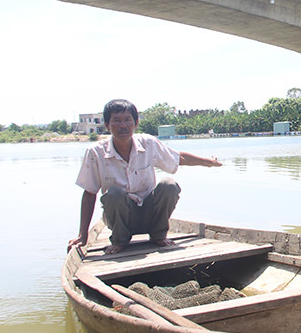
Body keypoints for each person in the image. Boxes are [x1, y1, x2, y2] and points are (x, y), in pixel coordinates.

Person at [67, 99, 222, 254]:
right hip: (120, 219)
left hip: (149, 214)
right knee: (114, 193)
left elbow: (178, 158)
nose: (123, 125)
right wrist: (83, 235)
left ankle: (158, 235)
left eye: (127, 120)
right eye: (117, 120)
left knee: (169, 185)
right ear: (107, 125)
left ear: (136, 123)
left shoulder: (148, 143)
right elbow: (89, 192)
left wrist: (207, 162)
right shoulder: (96, 152)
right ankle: (120, 241)